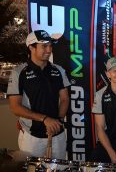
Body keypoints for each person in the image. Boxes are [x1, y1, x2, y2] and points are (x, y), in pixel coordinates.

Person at [7, 30, 70, 159]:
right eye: (44, 46)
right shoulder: (19, 72)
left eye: (50, 46)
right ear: (31, 47)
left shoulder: (58, 70)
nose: (49, 50)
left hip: (57, 134)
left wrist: (57, 121)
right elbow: (15, 107)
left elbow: (65, 99)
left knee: (59, 168)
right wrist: (45, 119)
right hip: (31, 137)